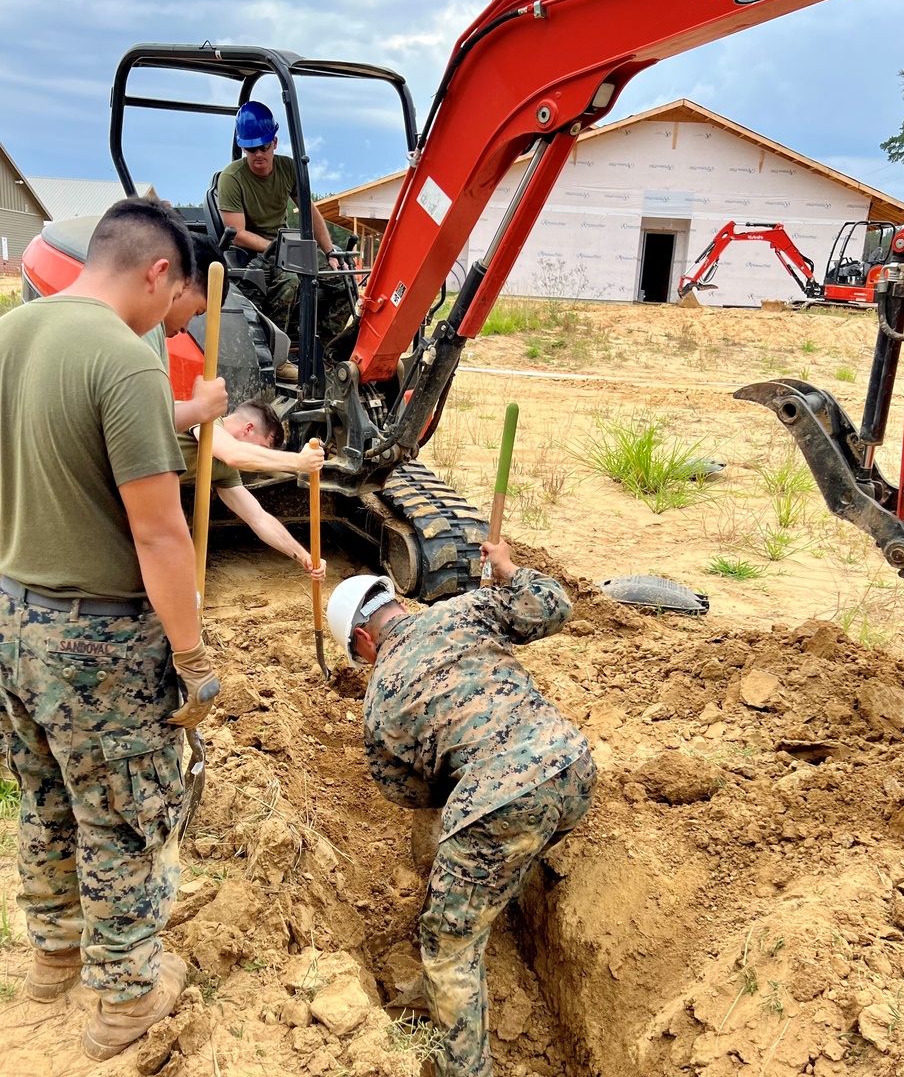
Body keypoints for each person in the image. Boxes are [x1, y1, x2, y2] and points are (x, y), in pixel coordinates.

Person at [0, 197, 220, 1060]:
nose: (179, 324)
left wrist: (194, 416)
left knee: (46, 795)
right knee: (123, 816)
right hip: (98, 640)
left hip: (15, 615)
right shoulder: (129, 361)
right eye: (185, 310)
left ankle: (52, 954)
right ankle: (127, 996)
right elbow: (160, 531)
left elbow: (72, 435)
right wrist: (195, 656)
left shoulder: (17, 332)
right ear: (160, 273)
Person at [325, 539, 596, 1077]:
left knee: (447, 944)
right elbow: (554, 606)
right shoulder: (464, 608)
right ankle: (502, 894)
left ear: (362, 639)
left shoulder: (380, 702)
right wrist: (509, 570)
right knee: (505, 853)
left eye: (360, 656)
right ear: (396, 603)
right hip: (573, 766)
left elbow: (406, 794)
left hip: (500, 801)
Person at [217, 100, 353, 373]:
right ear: (243, 147)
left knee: (343, 280)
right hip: (253, 254)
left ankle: (322, 353)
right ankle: (278, 357)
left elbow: (309, 210)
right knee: (291, 278)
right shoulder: (232, 179)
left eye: (263, 147)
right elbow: (238, 234)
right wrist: (279, 250)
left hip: (285, 245)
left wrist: (330, 252)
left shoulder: (288, 168)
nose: (258, 154)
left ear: (275, 142)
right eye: (251, 148)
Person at [179, 399, 326, 579]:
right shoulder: (206, 418)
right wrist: (298, 462)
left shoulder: (225, 471)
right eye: (263, 448)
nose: (260, 459)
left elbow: (258, 518)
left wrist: (303, 556)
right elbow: (234, 454)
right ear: (248, 428)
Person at [142, 232, 229, 432]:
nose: (185, 328)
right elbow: (139, 425)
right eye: (197, 312)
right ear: (187, 282)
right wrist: (200, 408)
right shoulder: (145, 328)